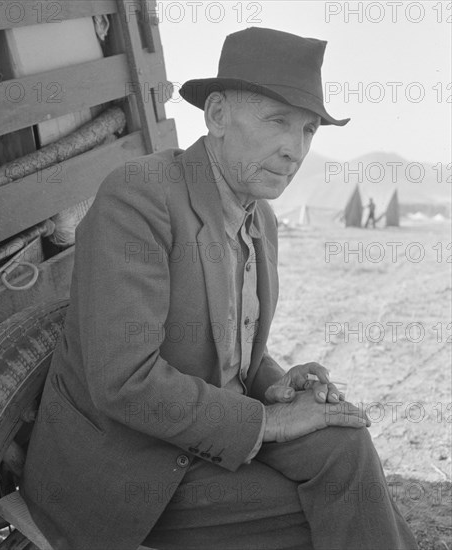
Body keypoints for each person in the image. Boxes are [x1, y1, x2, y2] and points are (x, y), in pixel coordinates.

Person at [21, 28, 418, 550]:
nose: (294, 151)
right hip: (133, 469)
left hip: (206, 436)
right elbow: (123, 381)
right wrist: (270, 423)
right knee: (334, 513)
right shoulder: (140, 197)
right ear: (217, 115)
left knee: (347, 446)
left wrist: (276, 383)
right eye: (277, 121)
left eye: (308, 131)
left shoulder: (262, 220)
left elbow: (230, 353)